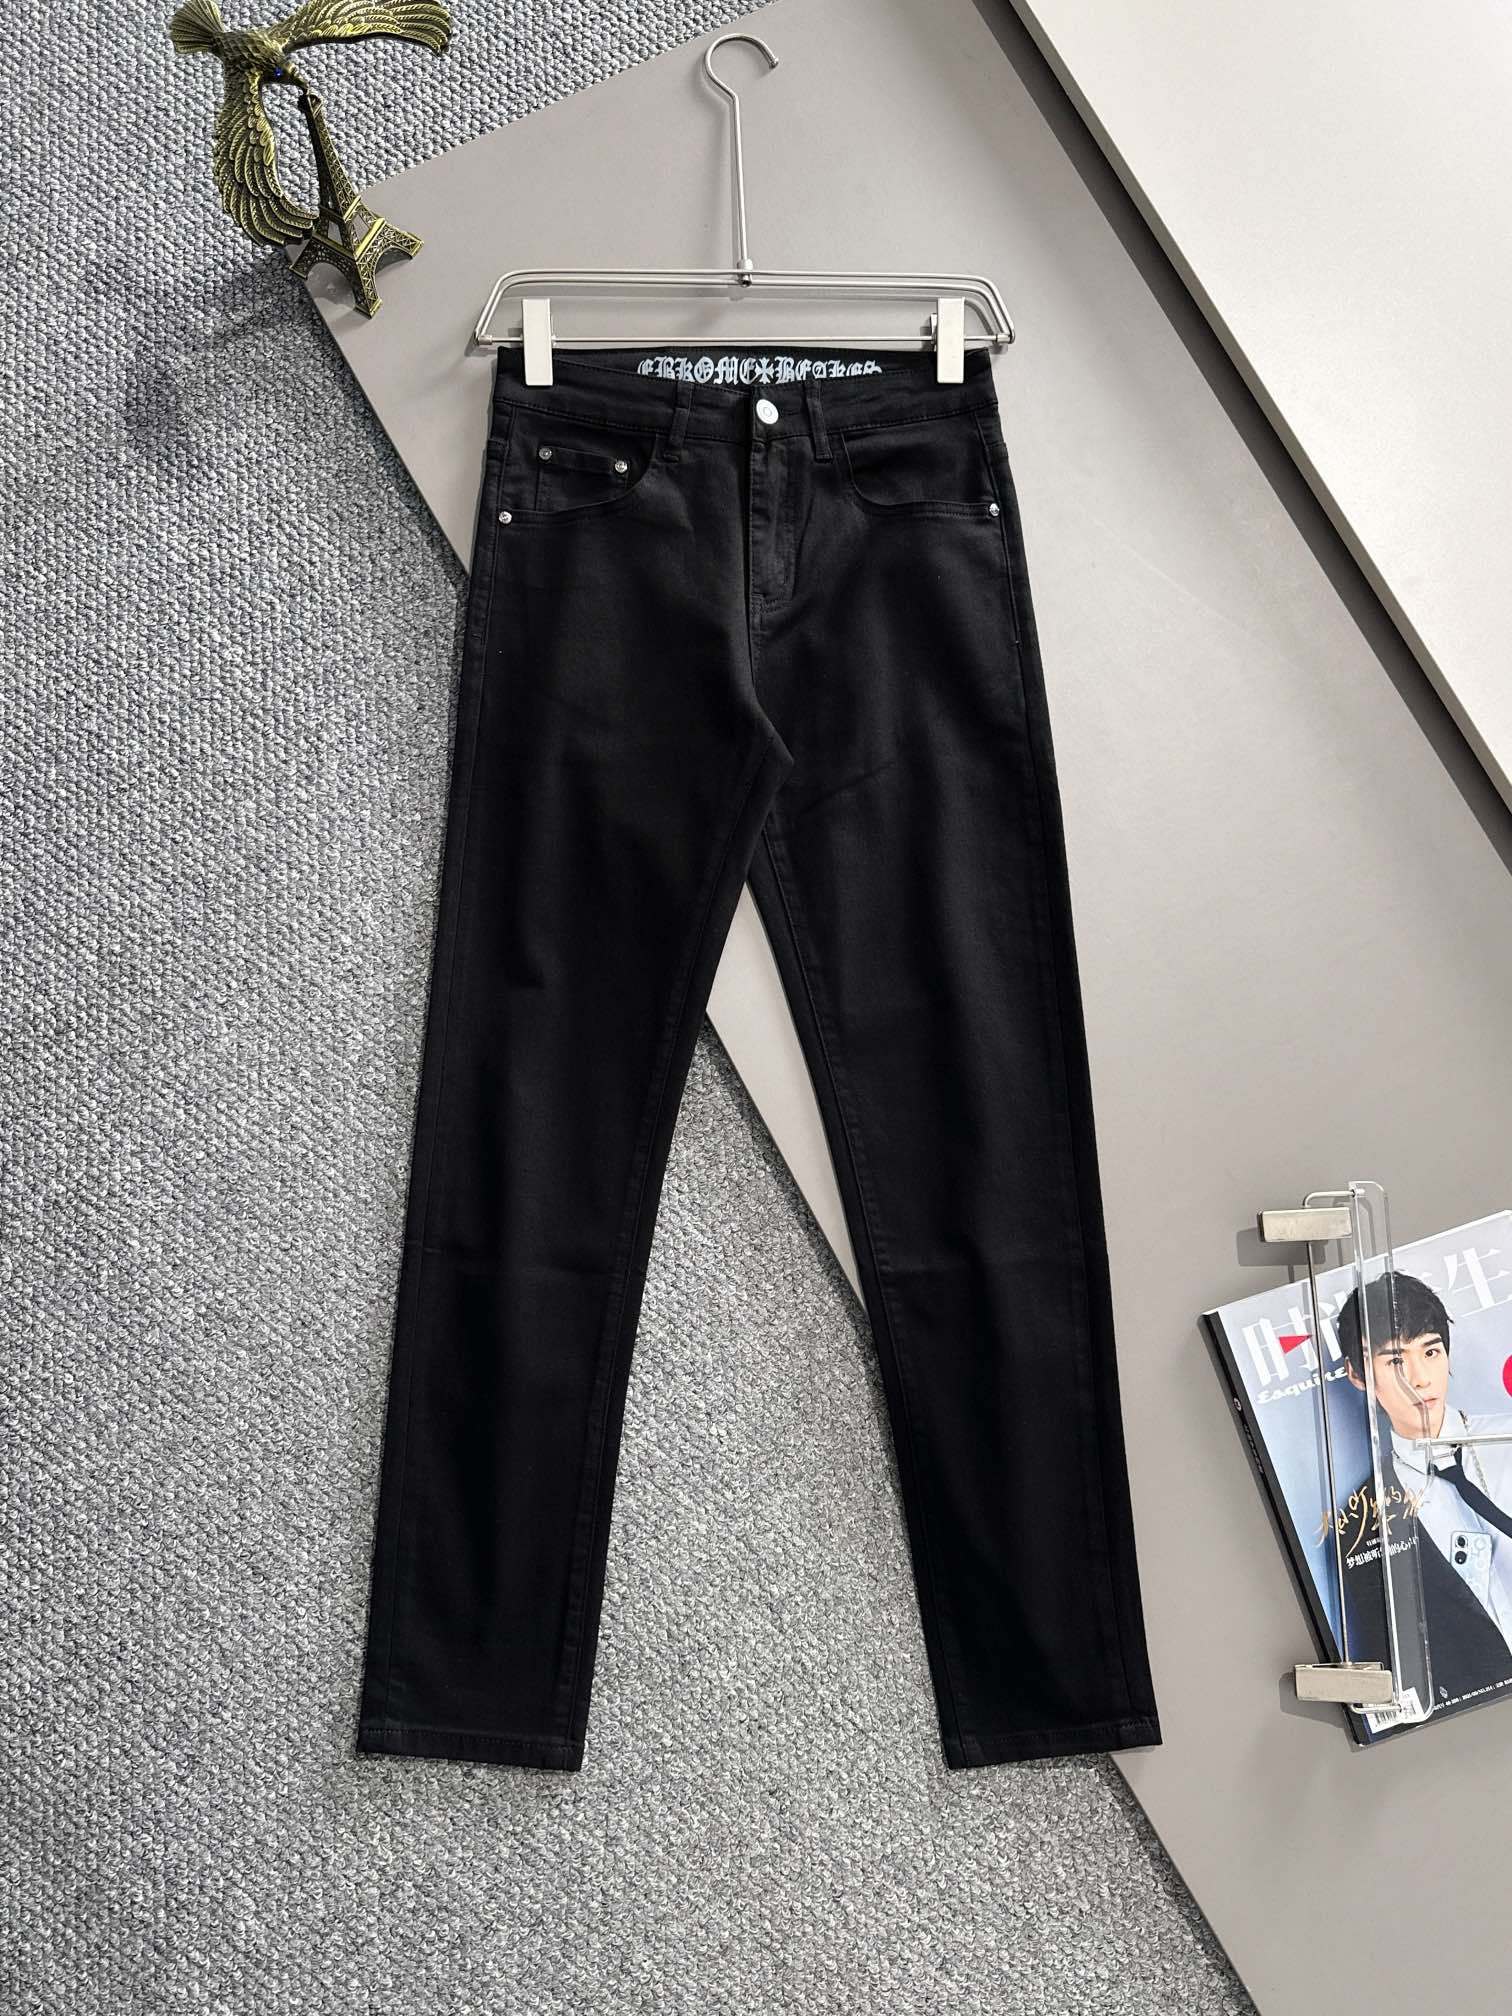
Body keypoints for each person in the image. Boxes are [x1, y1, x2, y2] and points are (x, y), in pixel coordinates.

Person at [1332, 1269, 1512, 1706]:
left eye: (1431, 1351)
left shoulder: (1506, 1438)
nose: (1419, 1378)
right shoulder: (1361, 1520)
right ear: (1358, 1375)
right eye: (1395, 1361)